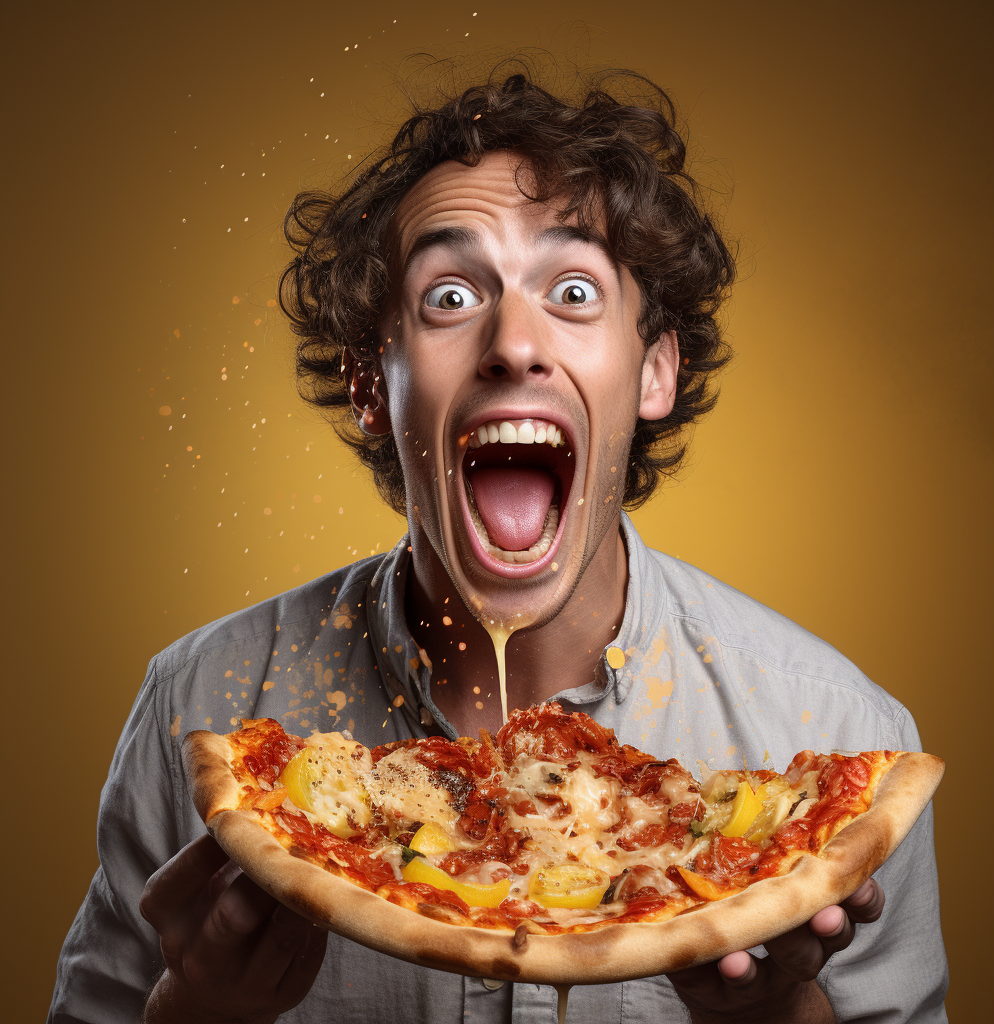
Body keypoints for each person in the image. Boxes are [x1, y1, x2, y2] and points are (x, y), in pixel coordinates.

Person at [49, 67, 947, 1024]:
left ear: (652, 371)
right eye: (448, 296)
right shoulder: (199, 704)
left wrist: (776, 1019)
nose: (514, 342)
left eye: (571, 290)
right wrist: (196, 1010)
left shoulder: (844, 738)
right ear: (370, 383)